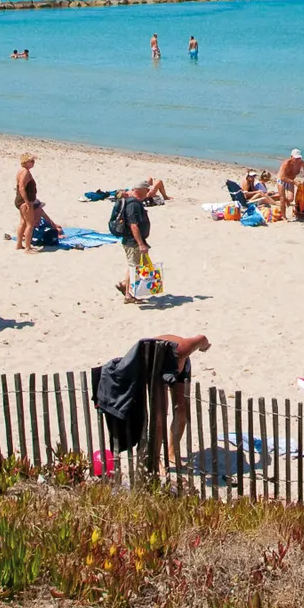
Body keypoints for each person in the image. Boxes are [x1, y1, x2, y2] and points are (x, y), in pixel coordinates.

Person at [150, 334, 210, 467]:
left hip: (179, 366)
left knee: (181, 410)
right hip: (156, 369)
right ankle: (156, 459)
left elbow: (202, 339)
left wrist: (205, 347)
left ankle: (172, 452)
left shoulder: (182, 349)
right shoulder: (149, 360)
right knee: (160, 415)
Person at [113, 188, 152, 303]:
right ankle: (128, 295)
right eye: (146, 191)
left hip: (135, 240)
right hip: (133, 242)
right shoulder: (133, 204)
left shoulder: (132, 202)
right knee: (134, 267)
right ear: (141, 191)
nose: (148, 193)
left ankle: (124, 284)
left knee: (142, 265)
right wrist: (141, 244)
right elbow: (133, 226)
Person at [15, 154, 43, 252]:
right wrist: (27, 202)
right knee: (29, 224)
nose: (33, 162)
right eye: (31, 161)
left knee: (22, 222)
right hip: (24, 201)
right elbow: (22, 188)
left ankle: (19, 244)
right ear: (25, 162)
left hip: (20, 200)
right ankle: (27, 247)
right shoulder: (25, 172)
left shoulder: (21, 171)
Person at [278, 149, 304, 218]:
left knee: (290, 199)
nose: (297, 160)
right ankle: (284, 217)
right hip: (282, 180)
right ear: (291, 157)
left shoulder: (301, 163)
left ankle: (285, 201)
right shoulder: (286, 163)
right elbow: (282, 177)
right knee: (282, 198)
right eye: (296, 158)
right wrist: (294, 182)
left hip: (291, 181)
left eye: (299, 158)